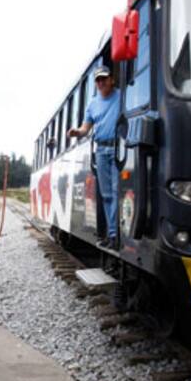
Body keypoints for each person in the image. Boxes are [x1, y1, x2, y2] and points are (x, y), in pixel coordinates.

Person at [68, 66, 121, 248]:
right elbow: (86, 128)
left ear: (111, 80)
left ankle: (114, 235)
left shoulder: (122, 96)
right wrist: (77, 132)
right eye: (98, 80)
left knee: (115, 192)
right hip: (101, 151)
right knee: (106, 195)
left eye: (104, 79)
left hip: (117, 148)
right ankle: (112, 233)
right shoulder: (92, 104)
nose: (101, 83)